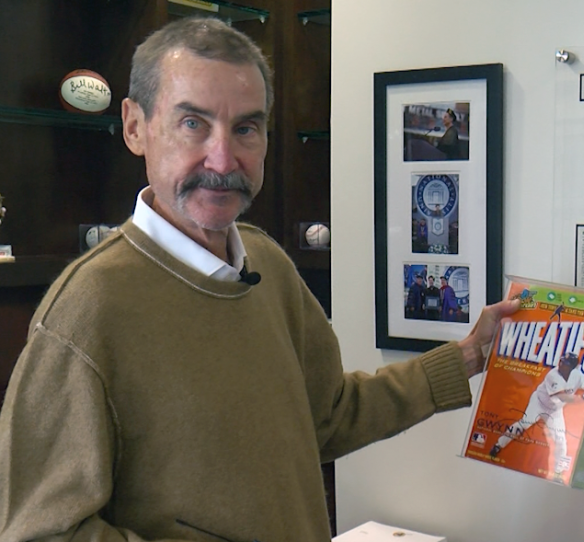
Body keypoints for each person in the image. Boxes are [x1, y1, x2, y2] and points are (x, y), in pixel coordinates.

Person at [0, 17, 519, 542]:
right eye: (193, 124)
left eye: (246, 127)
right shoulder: (86, 310)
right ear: (136, 127)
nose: (223, 160)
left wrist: (471, 354)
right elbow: (44, 532)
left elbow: (333, 415)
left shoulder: (268, 265)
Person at [488, 352, 584, 480]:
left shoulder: (577, 376)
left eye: (566, 364)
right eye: (561, 361)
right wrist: (583, 397)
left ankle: (559, 472)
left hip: (555, 411)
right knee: (524, 424)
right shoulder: (553, 375)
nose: (561, 364)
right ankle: (498, 445)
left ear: (573, 368)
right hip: (538, 403)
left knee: (560, 439)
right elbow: (563, 397)